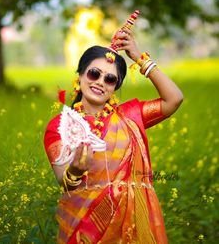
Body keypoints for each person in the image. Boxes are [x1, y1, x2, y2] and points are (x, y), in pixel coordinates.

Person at [44, 26, 183, 244]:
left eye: (110, 79)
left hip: (134, 227)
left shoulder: (130, 116)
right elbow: (65, 182)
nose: (100, 81)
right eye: (94, 73)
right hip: (87, 229)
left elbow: (173, 99)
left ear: (115, 87)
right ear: (80, 76)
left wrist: (139, 58)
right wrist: (76, 171)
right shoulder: (61, 126)